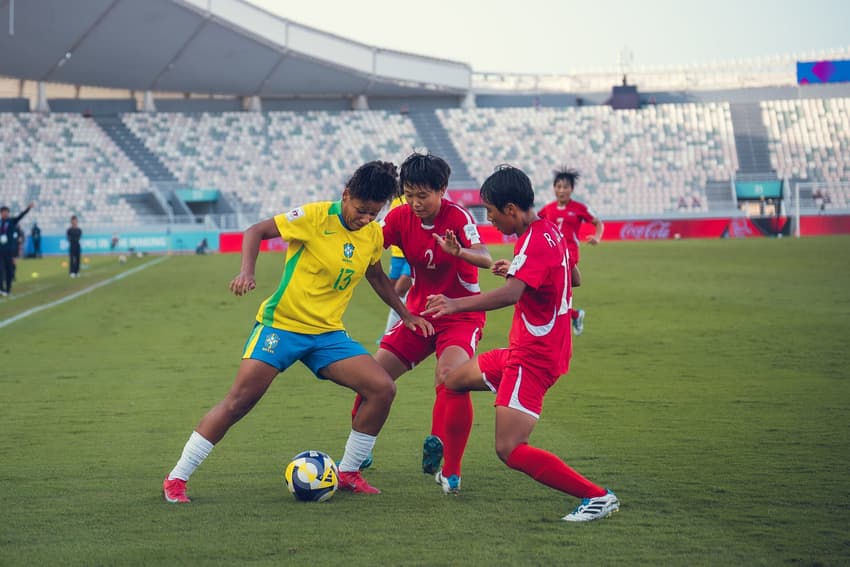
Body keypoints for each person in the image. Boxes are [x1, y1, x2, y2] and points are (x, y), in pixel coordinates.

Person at [162, 161, 434, 503]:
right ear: (346, 195)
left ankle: (349, 471)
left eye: (375, 214)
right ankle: (176, 478)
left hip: (328, 335)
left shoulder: (371, 234)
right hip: (282, 326)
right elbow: (255, 231)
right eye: (362, 211)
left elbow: (376, 275)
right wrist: (247, 272)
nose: (367, 219)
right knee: (239, 402)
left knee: (382, 388)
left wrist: (405, 314)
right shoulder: (314, 217)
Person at [423, 165, 619, 522]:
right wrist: (519, 266)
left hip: (534, 359)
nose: (491, 221)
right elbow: (572, 276)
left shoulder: (535, 239)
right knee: (452, 380)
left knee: (508, 448)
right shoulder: (549, 231)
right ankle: (450, 474)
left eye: (492, 213)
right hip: (525, 351)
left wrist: (454, 304)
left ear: (511, 209)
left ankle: (597, 496)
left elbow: (512, 294)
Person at [352, 152, 492, 494]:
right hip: (419, 314)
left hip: (460, 315)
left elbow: (486, 257)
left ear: (442, 190)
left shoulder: (457, 217)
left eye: (423, 195)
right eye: (409, 194)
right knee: (372, 378)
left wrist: (459, 252)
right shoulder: (399, 217)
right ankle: (360, 451)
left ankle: (450, 468)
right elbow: (367, 247)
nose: (415, 203)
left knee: (451, 378)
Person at [537, 168, 603, 335]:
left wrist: (597, 237)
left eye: (565, 187)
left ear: (571, 189)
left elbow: (598, 223)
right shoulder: (548, 209)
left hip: (569, 255)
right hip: (549, 255)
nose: (561, 190)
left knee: (555, 290)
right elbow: (535, 224)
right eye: (558, 186)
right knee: (551, 291)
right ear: (554, 188)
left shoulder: (579, 208)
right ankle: (573, 315)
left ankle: (561, 322)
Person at [378, 196, 413, 342]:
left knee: (399, 291)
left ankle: (390, 334)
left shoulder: (415, 200)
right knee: (393, 293)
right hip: (397, 255)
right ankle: (394, 331)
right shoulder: (396, 201)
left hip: (411, 254)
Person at [0, 201, 34, 297]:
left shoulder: (11, 221)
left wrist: (28, 208)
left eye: (6, 212)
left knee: (9, 270)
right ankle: (1, 288)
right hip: (0, 250)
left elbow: (21, 216)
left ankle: (8, 289)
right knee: (0, 269)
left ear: (8, 213)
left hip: (9, 250)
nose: (5, 213)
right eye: (3, 212)